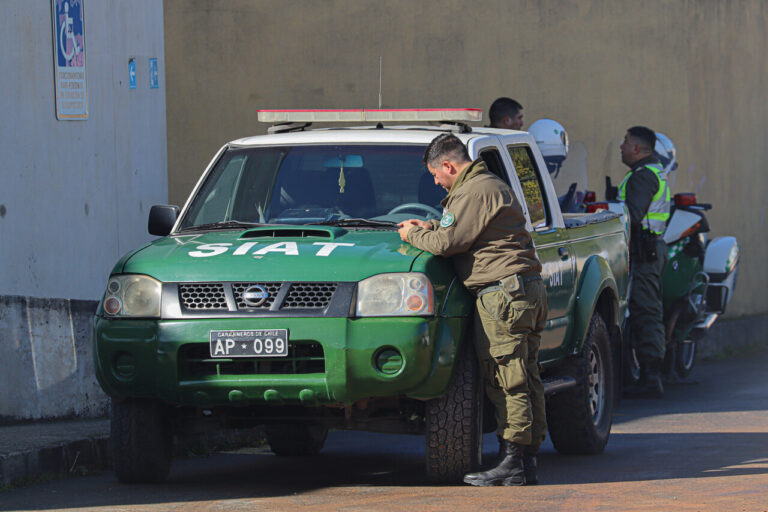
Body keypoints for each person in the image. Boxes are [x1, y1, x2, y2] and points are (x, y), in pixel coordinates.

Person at [397, 133, 548, 486]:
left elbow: (449, 243)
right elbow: (471, 230)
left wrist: (412, 235)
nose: (436, 182)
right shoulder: (486, 186)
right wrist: (430, 225)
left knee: (506, 378)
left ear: (449, 165)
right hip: (523, 290)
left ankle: (513, 461)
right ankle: (526, 462)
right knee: (525, 376)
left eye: (436, 175)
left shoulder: (474, 190)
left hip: (503, 295)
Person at [618, 126, 670, 398]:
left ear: (637, 149)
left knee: (646, 310)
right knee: (645, 308)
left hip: (644, 251)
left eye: (625, 142)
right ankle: (649, 371)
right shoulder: (651, 172)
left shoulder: (642, 177)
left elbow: (631, 216)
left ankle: (651, 376)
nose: (621, 147)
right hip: (650, 249)